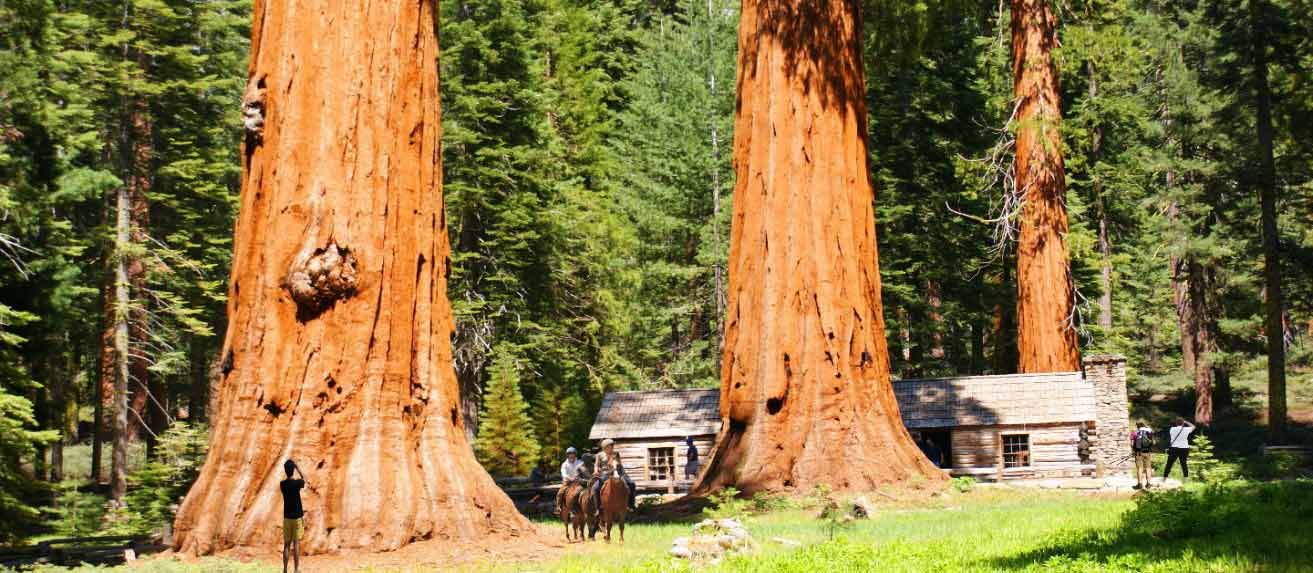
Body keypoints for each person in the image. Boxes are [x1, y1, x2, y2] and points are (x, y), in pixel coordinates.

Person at [592, 439, 636, 510]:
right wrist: (596, 471)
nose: (612, 447)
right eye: (610, 446)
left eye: (612, 446)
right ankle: (598, 507)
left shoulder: (616, 453)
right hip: (605, 474)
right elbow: (596, 465)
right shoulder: (599, 455)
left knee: (632, 483)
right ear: (605, 447)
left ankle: (630, 504)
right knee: (595, 488)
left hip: (618, 472)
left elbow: (620, 464)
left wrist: (620, 469)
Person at [280, 460, 308, 573]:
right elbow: (305, 479)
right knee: (296, 544)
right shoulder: (297, 484)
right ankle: (296, 570)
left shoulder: (282, 484)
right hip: (296, 517)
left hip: (287, 517)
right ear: (293, 470)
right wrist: (298, 467)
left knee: (286, 544)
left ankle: (285, 570)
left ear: (285, 471)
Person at [1130, 421, 1155, 489]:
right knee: (1148, 468)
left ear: (1137, 425)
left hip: (1138, 453)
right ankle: (1148, 483)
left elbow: (1132, 444)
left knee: (1139, 468)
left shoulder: (1134, 432)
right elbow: (1153, 442)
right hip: (1147, 452)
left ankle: (1139, 484)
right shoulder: (1149, 431)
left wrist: (1133, 451)